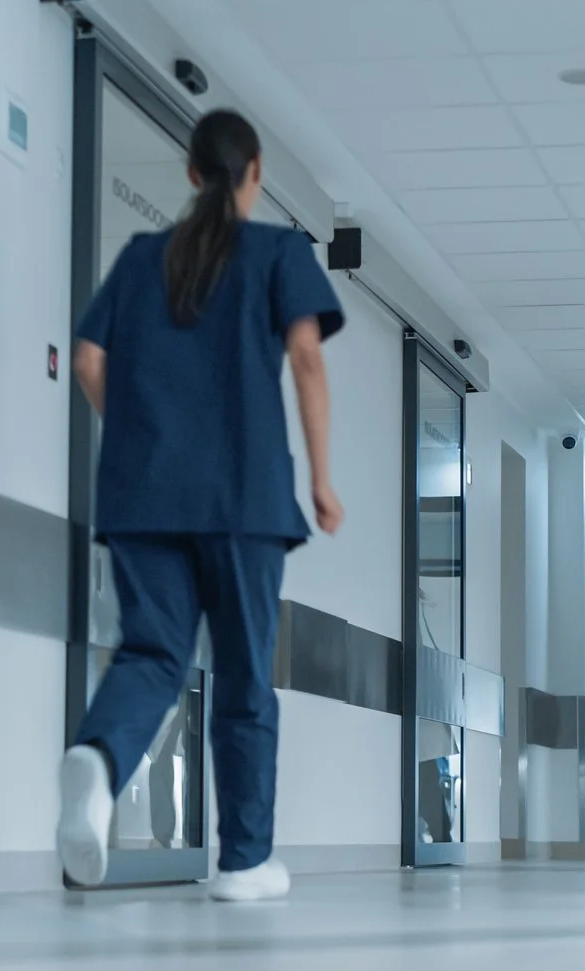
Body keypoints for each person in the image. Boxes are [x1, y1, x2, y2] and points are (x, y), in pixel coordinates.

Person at [55, 109, 345, 903]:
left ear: (190, 174)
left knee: (152, 653)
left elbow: (86, 359)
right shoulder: (278, 251)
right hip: (243, 497)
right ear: (254, 172)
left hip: (145, 493)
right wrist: (321, 477)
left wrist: (146, 435)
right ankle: (244, 861)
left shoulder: (144, 256)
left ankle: (101, 760)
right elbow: (308, 359)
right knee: (247, 674)